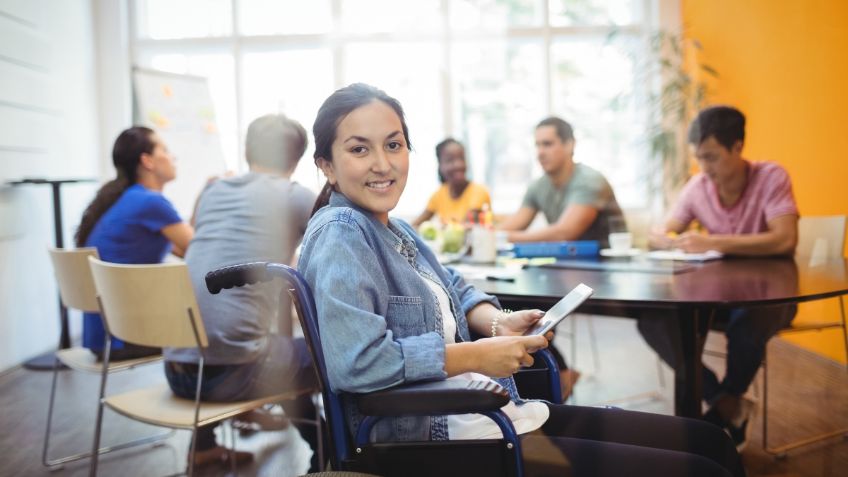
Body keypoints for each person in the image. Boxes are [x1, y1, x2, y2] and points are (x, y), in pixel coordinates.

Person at [298, 83, 744, 477]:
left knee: (712, 443)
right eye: (360, 149)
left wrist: (497, 322)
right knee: (704, 465)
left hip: (488, 418)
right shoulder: (342, 232)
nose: (382, 164)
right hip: (434, 440)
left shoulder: (394, 229)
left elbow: (456, 288)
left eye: (393, 145)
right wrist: (475, 355)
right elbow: (356, 363)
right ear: (327, 166)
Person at [163, 114, 324, 470]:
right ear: (297, 160)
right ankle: (328, 452)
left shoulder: (213, 190)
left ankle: (203, 444)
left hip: (176, 370)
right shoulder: (295, 196)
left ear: (248, 150)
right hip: (229, 376)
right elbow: (334, 258)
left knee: (258, 345)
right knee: (332, 352)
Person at [640, 105, 799, 451]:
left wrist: (713, 241)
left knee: (749, 319)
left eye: (711, 157)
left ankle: (713, 414)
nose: (704, 167)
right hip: (718, 296)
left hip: (772, 297)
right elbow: (663, 230)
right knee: (653, 321)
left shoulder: (771, 177)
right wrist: (665, 238)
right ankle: (728, 405)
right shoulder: (699, 185)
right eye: (699, 157)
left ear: (738, 146)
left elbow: (785, 239)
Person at [75, 126, 193, 360]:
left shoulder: (127, 198)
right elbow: (201, 248)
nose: (172, 157)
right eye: (165, 150)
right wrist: (209, 193)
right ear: (147, 161)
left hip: (102, 337)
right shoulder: (150, 202)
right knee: (214, 331)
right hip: (126, 337)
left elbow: (183, 247)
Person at [498, 117, 625, 248]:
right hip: (566, 263)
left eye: (547, 144)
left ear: (570, 145)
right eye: (537, 145)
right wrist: (492, 235)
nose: (540, 153)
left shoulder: (590, 181)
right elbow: (510, 227)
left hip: (607, 263)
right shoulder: (538, 186)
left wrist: (502, 237)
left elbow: (564, 233)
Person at [412, 138, 491, 227]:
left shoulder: (479, 191)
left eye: (461, 158)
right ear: (440, 165)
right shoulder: (439, 194)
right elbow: (415, 225)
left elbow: (467, 229)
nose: (458, 165)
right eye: (450, 160)